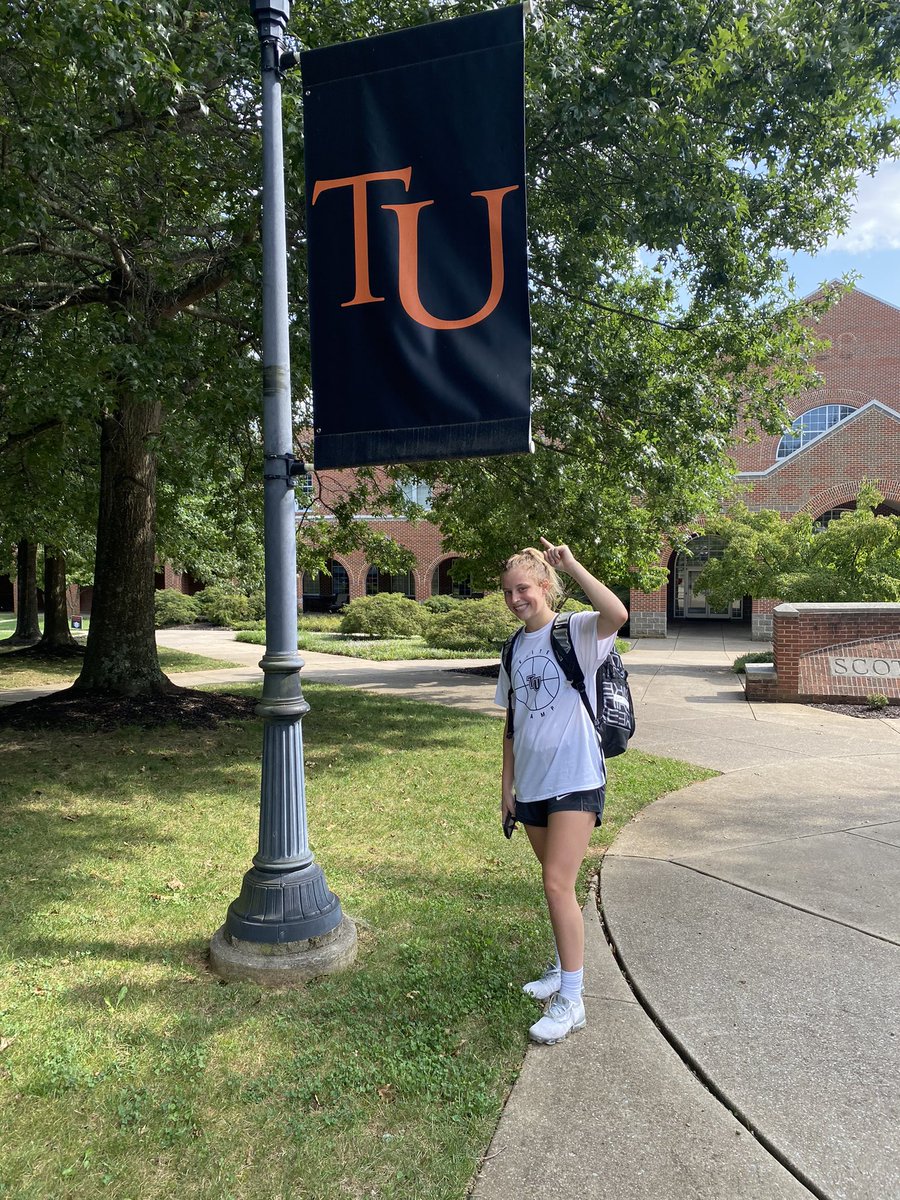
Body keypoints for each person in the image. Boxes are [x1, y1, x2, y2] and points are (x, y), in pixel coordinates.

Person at [496, 538, 628, 1045]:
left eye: (523, 588)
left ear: (545, 587)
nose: (515, 599)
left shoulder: (575, 631)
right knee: (557, 886)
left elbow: (615, 611)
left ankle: (572, 1000)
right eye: (508, 592)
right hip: (531, 783)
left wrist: (571, 563)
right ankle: (561, 966)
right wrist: (506, 788)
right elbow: (511, 723)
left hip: (575, 777)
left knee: (556, 882)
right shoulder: (512, 647)